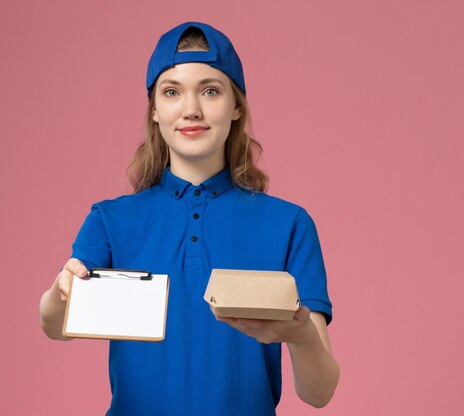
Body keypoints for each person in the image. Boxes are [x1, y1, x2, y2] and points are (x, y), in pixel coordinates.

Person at [39, 21, 339, 416]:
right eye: (172, 92)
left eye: (210, 91)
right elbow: (55, 325)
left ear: (236, 107)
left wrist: (301, 335)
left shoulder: (289, 225)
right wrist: (60, 292)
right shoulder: (111, 220)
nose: (191, 109)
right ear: (155, 111)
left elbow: (319, 393)